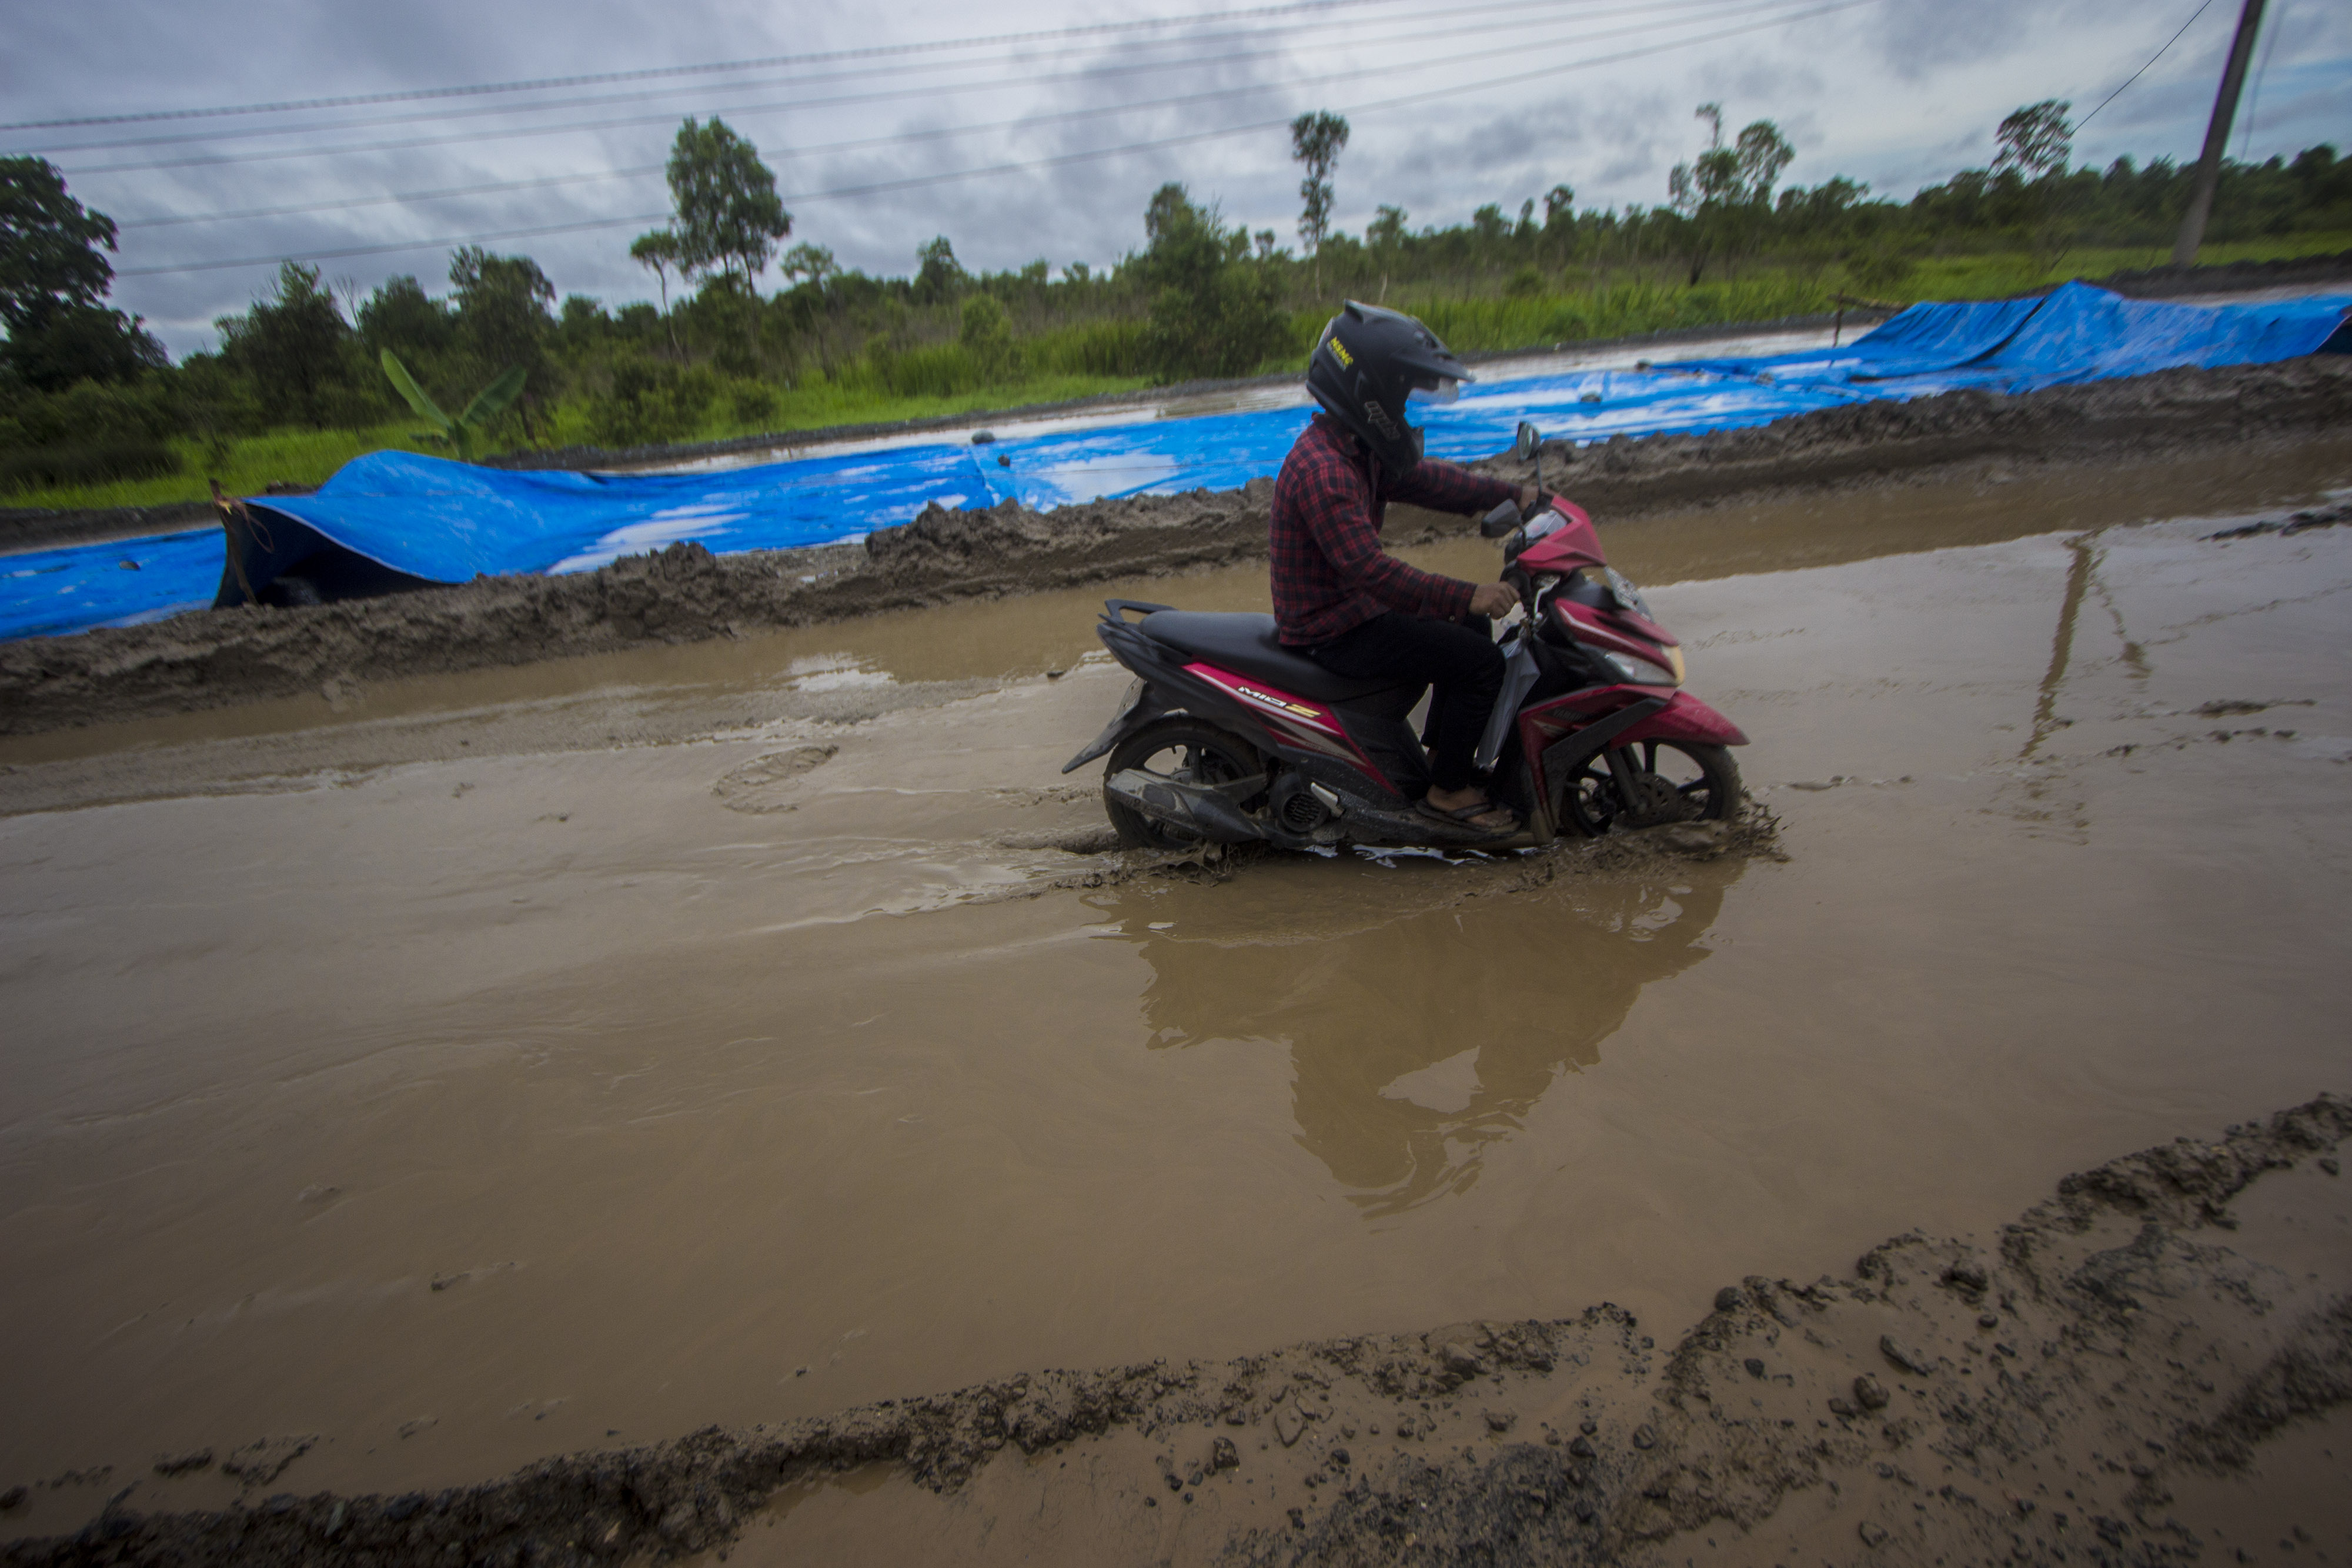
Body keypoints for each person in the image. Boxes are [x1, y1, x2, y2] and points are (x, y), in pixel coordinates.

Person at [1271, 301, 1539, 834]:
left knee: (1468, 629)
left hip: (1350, 609)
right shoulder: (1326, 470)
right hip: (1333, 630)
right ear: (1369, 392)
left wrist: (1514, 495)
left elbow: (1429, 481)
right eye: (1398, 396)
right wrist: (1468, 592)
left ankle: (1447, 758)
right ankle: (1446, 793)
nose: (1403, 410)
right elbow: (1373, 571)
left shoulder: (1355, 447)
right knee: (1481, 659)